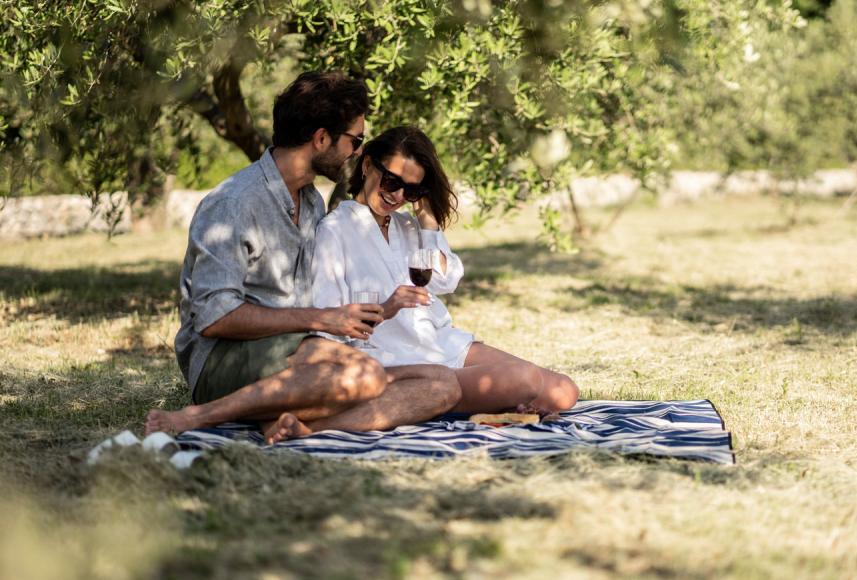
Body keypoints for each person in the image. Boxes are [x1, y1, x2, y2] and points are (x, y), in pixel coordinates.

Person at [144, 73, 461, 443]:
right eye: (354, 140)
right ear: (322, 138)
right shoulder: (234, 204)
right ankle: (197, 416)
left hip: (297, 348)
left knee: (442, 383)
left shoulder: (310, 202)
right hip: (223, 356)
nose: (358, 151)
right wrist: (323, 318)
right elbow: (215, 318)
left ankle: (301, 427)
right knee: (367, 375)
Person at [304, 126, 578, 428]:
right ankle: (434, 401)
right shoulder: (334, 231)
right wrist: (385, 309)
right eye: (392, 180)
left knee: (564, 391)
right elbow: (327, 323)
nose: (397, 195)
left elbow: (447, 281)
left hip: (440, 343)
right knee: (525, 379)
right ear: (367, 164)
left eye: (412, 190)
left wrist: (428, 222)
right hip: (397, 359)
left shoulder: (407, 226)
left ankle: (482, 404)